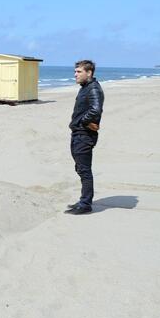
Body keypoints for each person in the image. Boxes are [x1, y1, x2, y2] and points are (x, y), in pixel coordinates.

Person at [65, 60, 104, 214]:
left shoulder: (93, 89)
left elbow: (95, 110)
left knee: (84, 170)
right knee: (80, 168)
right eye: (75, 71)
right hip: (78, 133)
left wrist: (82, 121)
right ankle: (83, 200)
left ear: (89, 73)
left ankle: (85, 204)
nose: (75, 74)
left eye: (79, 72)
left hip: (84, 134)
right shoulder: (85, 88)